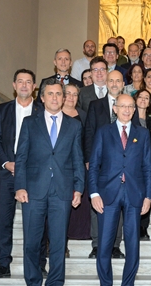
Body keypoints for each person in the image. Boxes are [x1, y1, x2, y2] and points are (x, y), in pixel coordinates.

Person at [15, 78, 85, 286]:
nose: (55, 98)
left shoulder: (74, 125)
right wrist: (20, 186)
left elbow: (77, 158)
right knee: (32, 242)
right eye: (51, 94)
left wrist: (78, 188)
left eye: (59, 94)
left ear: (64, 98)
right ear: (42, 97)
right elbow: (21, 157)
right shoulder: (29, 123)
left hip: (62, 191)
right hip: (34, 190)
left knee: (57, 242)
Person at [89, 94, 151, 286]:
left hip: (134, 194)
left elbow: (148, 167)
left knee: (132, 243)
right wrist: (94, 193)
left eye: (130, 107)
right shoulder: (103, 132)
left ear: (134, 110)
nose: (126, 110)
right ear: (114, 109)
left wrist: (148, 196)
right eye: (122, 106)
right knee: (105, 243)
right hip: (107, 194)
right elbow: (94, 165)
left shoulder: (142, 134)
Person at [0, 69, 44, 280]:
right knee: (4, 220)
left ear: (35, 86)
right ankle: (3, 264)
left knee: (36, 221)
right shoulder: (3, 109)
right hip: (7, 174)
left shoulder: (42, 110)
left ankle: (37, 264)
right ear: (14, 85)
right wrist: (6, 162)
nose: (24, 85)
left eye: (28, 82)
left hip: (34, 175)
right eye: (20, 81)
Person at [84, 70, 127, 259]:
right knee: (97, 203)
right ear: (106, 83)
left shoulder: (128, 105)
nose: (115, 84)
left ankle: (116, 245)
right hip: (100, 164)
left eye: (118, 81)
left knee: (119, 204)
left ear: (123, 83)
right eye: (112, 80)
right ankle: (97, 244)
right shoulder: (95, 105)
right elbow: (89, 133)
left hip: (122, 166)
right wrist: (88, 159)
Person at [62, 84, 89, 248]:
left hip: (79, 162)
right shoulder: (54, 114)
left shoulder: (83, 115)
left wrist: (87, 159)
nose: (71, 97)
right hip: (60, 165)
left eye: (74, 94)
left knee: (78, 198)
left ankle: (78, 233)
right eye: (68, 94)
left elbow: (87, 138)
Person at [133, 89, 151, 239]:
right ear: (135, 99)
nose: (143, 100)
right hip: (132, 163)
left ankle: (143, 227)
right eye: (140, 97)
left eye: (147, 98)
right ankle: (133, 226)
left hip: (149, 161)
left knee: (147, 194)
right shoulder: (130, 118)